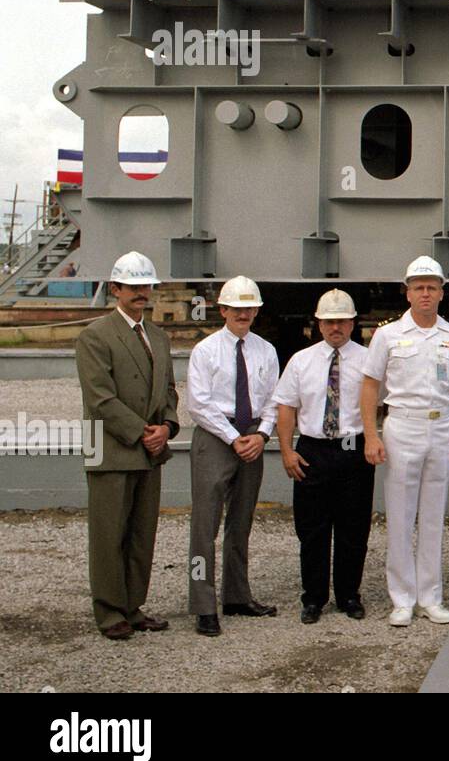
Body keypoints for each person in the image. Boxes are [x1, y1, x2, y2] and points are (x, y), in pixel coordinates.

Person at [361, 256, 449, 627]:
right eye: (418, 287)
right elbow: (370, 385)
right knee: (400, 514)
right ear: (407, 292)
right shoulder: (388, 334)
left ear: (442, 292)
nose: (425, 293)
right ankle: (402, 598)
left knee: (432, 516)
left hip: (440, 426)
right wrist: (371, 435)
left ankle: (431, 596)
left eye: (432, 287)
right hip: (402, 427)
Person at [75, 251, 178, 639]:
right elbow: (99, 398)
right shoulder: (95, 335)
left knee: (141, 534)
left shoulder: (158, 337)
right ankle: (109, 611)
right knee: (109, 533)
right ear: (115, 288)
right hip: (113, 451)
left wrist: (167, 425)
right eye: (132, 286)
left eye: (145, 285)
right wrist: (143, 432)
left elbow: (167, 388)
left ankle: (133, 605)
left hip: (150, 451)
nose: (140, 293)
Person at [274, 289, 374, 624]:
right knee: (312, 529)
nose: (336, 328)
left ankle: (349, 595)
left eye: (342, 321)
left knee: (353, 528)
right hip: (313, 450)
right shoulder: (301, 361)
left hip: (351, 448)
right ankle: (313, 598)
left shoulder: (368, 360)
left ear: (352, 323)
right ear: (319, 324)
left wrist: (375, 440)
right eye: (329, 322)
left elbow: (381, 404)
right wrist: (287, 450)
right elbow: (286, 406)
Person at [187, 275, 280, 636]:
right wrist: (232, 438)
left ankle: (237, 596)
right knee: (204, 526)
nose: (243, 314)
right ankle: (202, 603)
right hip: (215, 436)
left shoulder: (266, 351)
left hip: (252, 437)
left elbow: (275, 398)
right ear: (222, 309)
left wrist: (261, 434)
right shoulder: (205, 351)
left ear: (257, 310)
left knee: (240, 523)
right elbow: (199, 404)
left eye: (249, 308)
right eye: (236, 308)